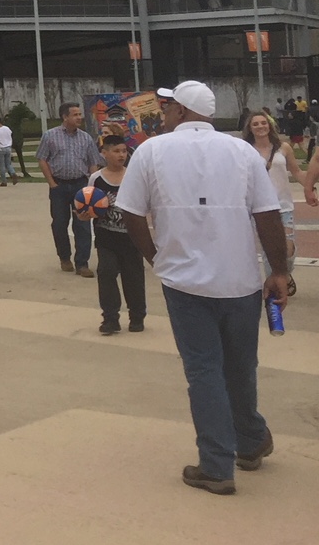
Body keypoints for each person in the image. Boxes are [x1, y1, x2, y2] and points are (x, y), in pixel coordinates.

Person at [116, 81, 292, 495]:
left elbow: (130, 213)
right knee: (240, 365)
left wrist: (156, 258)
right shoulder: (242, 152)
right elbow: (267, 215)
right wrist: (278, 271)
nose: (163, 112)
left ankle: (216, 464)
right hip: (240, 280)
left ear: (180, 110)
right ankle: (249, 441)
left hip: (184, 281)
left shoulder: (152, 151)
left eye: (167, 106)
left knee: (204, 370)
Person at [87, 134, 145, 335]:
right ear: (104, 153)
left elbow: (144, 205)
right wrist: (85, 213)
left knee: (134, 277)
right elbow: (85, 207)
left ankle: (137, 316)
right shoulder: (96, 178)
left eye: (124, 151)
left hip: (131, 238)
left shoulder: (133, 176)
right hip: (106, 237)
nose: (121, 155)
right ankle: (110, 319)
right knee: (106, 273)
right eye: (116, 151)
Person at [37, 102, 101, 276]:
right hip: (59, 185)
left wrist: (91, 187)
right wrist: (52, 183)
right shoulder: (50, 136)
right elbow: (42, 159)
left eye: (80, 114)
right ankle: (64, 257)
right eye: (75, 114)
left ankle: (82, 263)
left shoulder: (86, 138)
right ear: (65, 117)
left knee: (83, 224)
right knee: (59, 223)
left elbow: (93, 162)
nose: (79, 117)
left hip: (81, 185)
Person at [245, 109, 304, 295]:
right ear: (250, 128)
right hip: (259, 207)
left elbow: (297, 172)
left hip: (283, 205)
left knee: (288, 246)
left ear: (269, 125)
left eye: (263, 123)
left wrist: (310, 187)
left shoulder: (283, 148)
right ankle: (275, 284)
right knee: (268, 247)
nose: (260, 127)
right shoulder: (246, 150)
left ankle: (284, 274)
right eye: (255, 124)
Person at [0, 117, 17, 185]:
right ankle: (13, 173)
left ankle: (4, 181)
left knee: (1, 165)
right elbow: (10, 136)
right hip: (8, 147)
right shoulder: (7, 128)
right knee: (8, 164)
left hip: (0, 149)